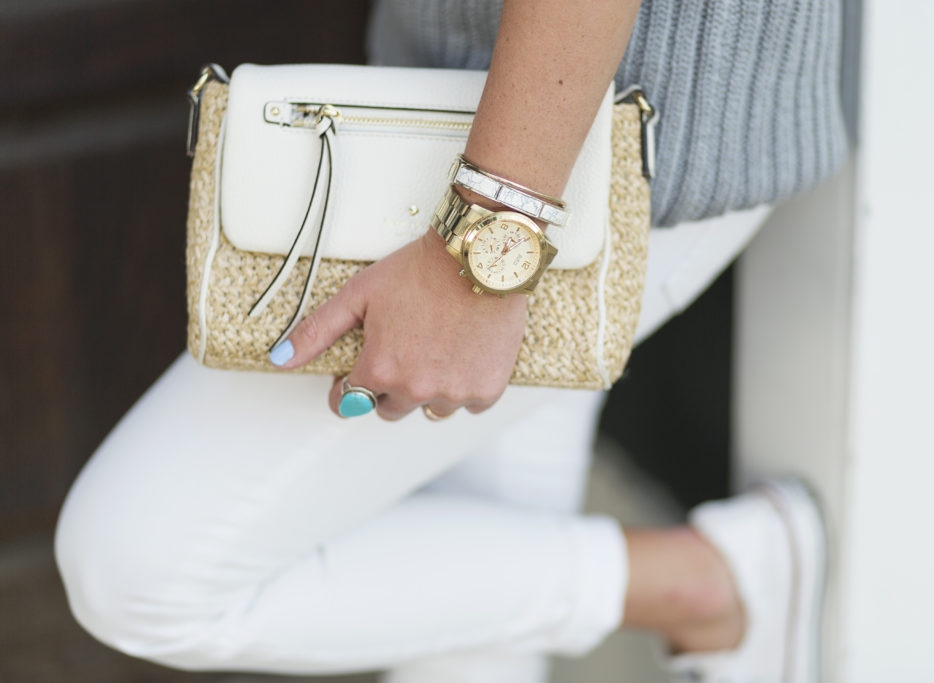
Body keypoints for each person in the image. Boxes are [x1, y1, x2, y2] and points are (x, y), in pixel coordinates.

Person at [55, 0, 847, 681]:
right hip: (472, 115)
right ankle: (710, 587)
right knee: (475, 613)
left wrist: (484, 251)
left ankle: (705, 584)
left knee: (138, 566)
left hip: (592, 154)